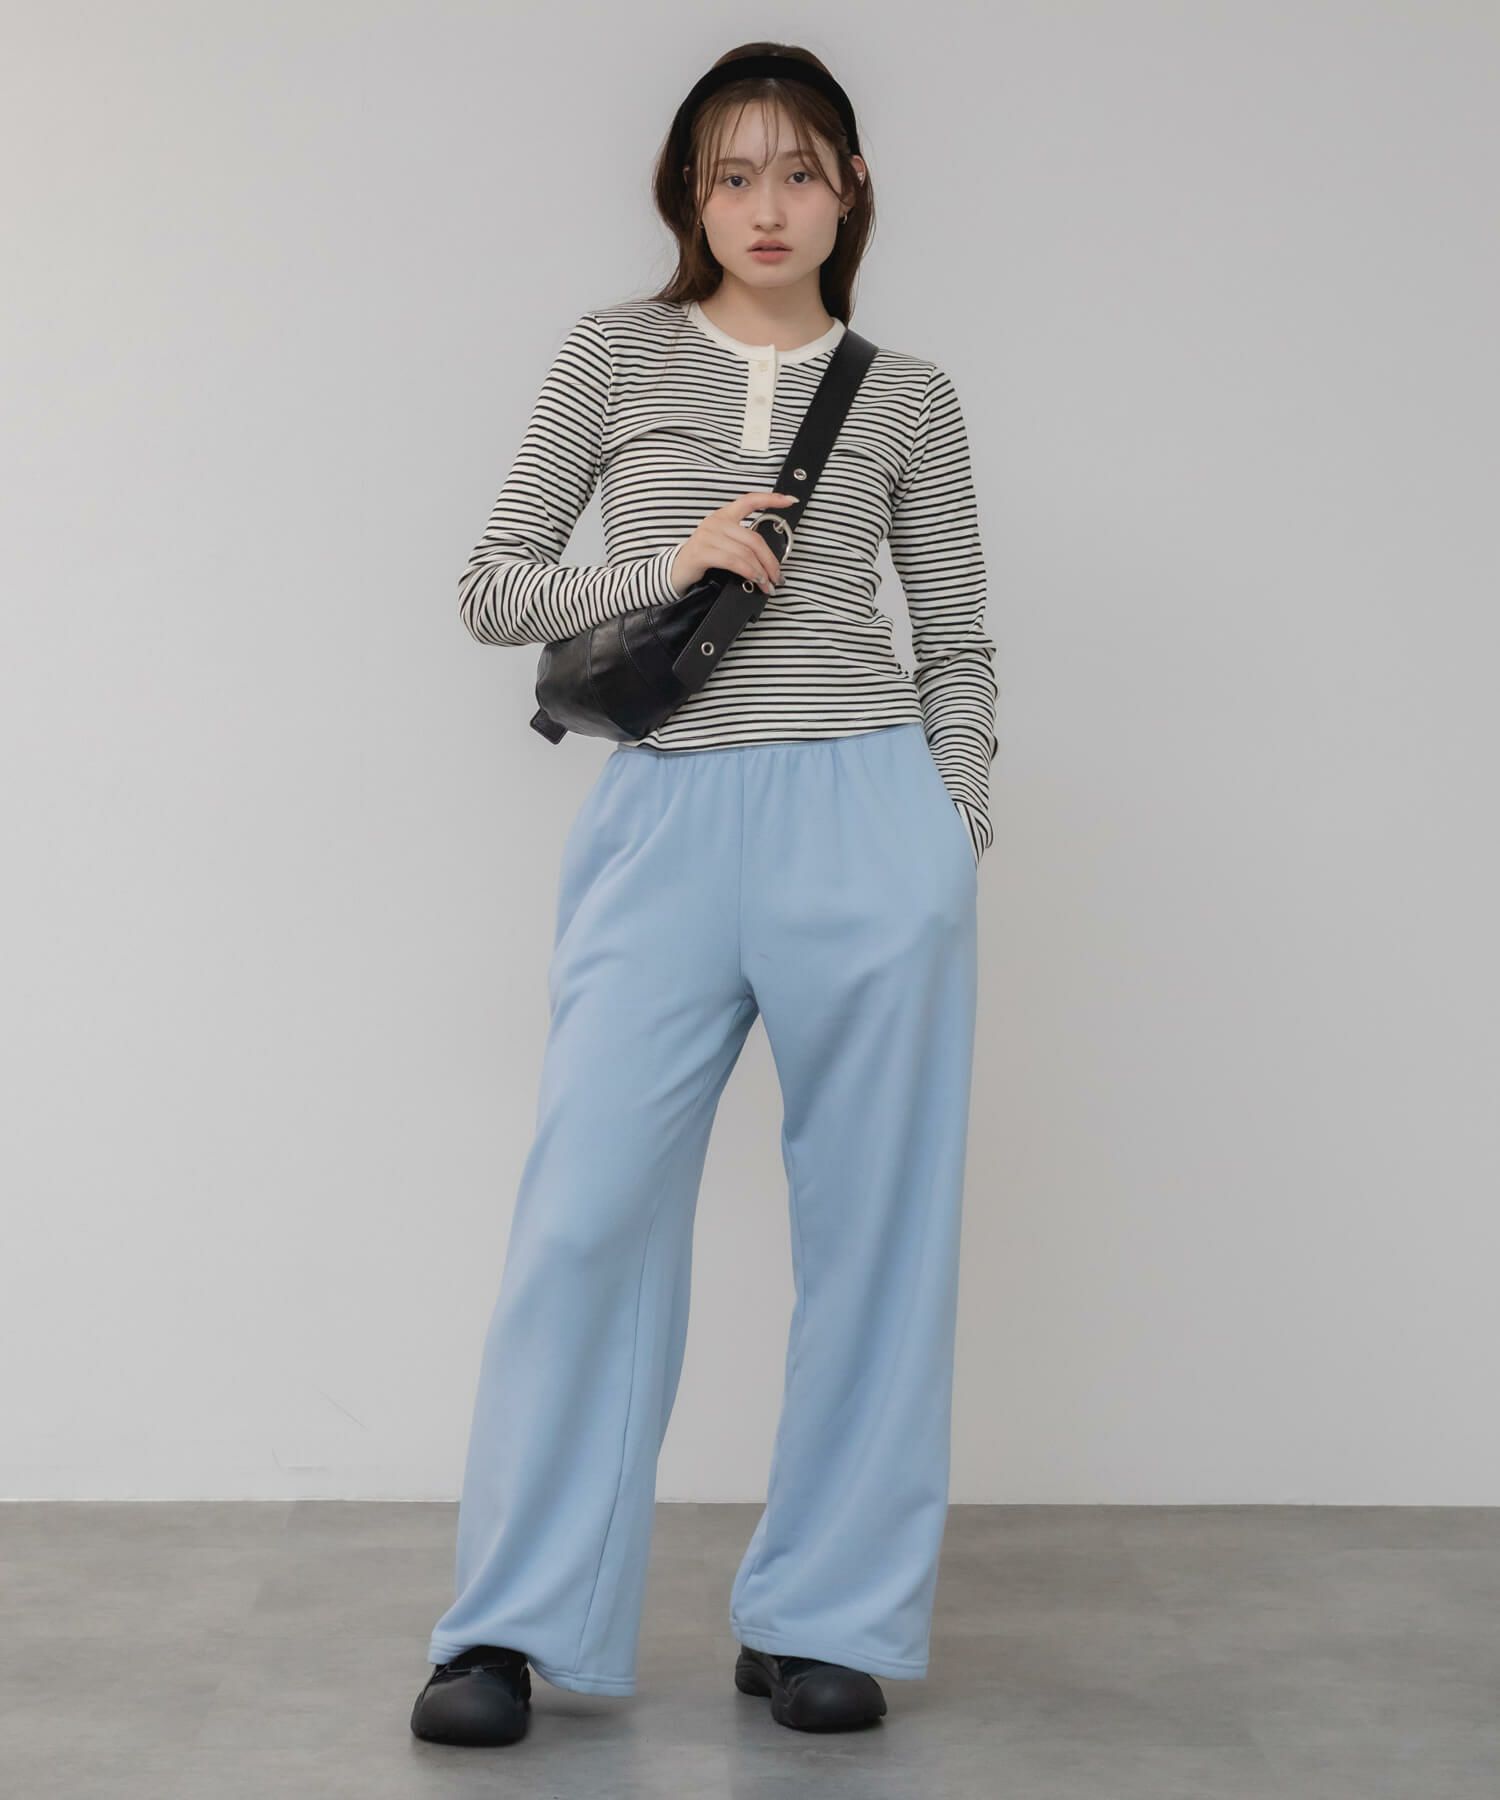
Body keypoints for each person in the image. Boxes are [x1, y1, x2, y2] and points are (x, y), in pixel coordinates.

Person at [411, 41, 998, 1747]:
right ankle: (509, 1625)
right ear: (689, 189)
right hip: (664, 821)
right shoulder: (613, 353)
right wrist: (665, 563)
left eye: (800, 171)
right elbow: (493, 588)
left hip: (865, 817)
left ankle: (822, 1615)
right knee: (586, 1216)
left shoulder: (907, 394)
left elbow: (958, 639)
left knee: (879, 1232)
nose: (766, 206)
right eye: (733, 174)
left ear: (852, 189)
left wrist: (949, 825)